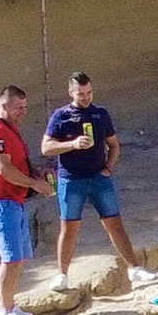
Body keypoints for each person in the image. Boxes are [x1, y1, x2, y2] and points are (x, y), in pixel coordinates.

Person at [41, 72, 141, 282]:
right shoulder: (61, 115)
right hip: (71, 179)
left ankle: (134, 268)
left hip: (98, 178)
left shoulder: (100, 114)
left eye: (89, 92)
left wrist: (109, 167)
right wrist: (72, 144)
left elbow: (114, 145)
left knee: (114, 223)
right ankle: (62, 275)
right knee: (69, 228)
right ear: (71, 92)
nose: (86, 97)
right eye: (81, 93)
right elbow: (46, 147)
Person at [0, 83, 47, 315]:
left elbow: (16, 162)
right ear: (4, 105)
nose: (23, 112)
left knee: (21, 256)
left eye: (25, 107)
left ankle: (3, 304)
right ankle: (6, 311)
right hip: (0, 201)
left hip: (14, 200)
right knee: (11, 258)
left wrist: (35, 174)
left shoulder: (10, 128)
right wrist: (34, 183)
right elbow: (3, 169)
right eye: (18, 107)